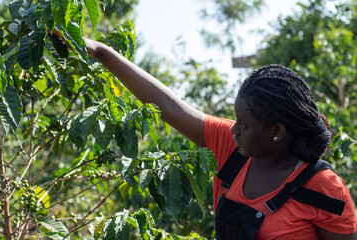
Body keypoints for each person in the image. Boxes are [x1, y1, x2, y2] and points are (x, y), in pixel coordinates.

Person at [83, 37, 357, 240]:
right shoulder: (233, 151)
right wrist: (102, 52)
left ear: (277, 131)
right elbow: (167, 107)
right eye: (236, 120)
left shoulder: (323, 188)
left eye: (245, 124)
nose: (233, 129)